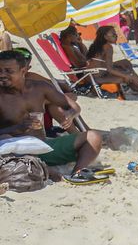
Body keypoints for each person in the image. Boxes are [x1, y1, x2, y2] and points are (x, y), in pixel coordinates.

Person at [0, 50, 102, 181]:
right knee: (5, 138)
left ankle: (77, 172)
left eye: (8, 71)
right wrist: (18, 128)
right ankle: (41, 168)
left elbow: (73, 106)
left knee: (93, 137)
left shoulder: (40, 88)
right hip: (13, 150)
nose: (2, 75)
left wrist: (70, 115)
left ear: (23, 70)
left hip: (43, 146)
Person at [86, 26, 138, 98]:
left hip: (93, 75)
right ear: (105, 36)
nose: (116, 36)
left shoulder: (98, 45)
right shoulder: (108, 47)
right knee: (129, 76)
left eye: (116, 34)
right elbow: (110, 69)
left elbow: (102, 64)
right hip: (98, 78)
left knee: (125, 63)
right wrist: (125, 75)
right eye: (113, 34)